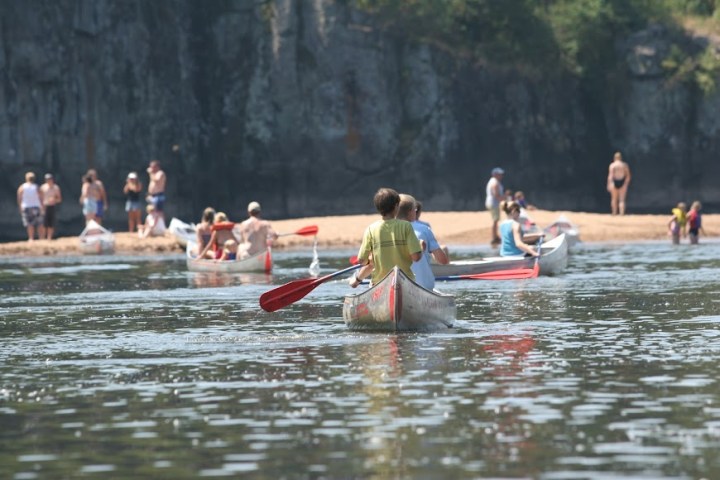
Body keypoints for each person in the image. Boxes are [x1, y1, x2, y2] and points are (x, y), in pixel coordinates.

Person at [348, 188, 422, 288]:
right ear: (396, 206)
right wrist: (420, 249)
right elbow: (416, 257)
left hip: (379, 283)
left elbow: (361, 261)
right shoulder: (406, 226)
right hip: (405, 281)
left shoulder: (370, 229)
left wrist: (370, 259)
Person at [397, 194, 449, 291]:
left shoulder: (384, 230)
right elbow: (443, 261)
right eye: (415, 209)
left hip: (396, 286)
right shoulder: (424, 229)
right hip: (423, 286)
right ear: (410, 212)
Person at [17, 172, 44, 242]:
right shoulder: (36, 187)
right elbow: (41, 197)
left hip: (27, 207)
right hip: (36, 207)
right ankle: (41, 238)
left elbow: (19, 198)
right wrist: (42, 206)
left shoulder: (22, 187)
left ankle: (31, 238)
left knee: (30, 224)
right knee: (39, 223)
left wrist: (20, 207)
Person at [485, 167, 505, 246]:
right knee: (495, 220)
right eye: (499, 174)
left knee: (496, 220)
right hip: (494, 203)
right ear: (495, 174)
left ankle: (495, 236)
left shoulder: (494, 181)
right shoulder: (494, 182)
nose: (501, 175)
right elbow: (496, 194)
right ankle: (494, 237)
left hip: (493, 203)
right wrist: (504, 199)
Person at [607, 151, 631, 215]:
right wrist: (625, 184)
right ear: (621, 158)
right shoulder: (624, 165)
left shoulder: (612, 165)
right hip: (622, 181)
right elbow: (628, 176)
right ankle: (621, 213)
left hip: (614, 181)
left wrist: (609, 184)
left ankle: (614, 212)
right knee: (622, 199)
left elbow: (610, 176)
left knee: (614, 199)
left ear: (615, 158)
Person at [40, 173, 62, 240]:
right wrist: (41, 206)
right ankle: (42, 238)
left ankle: (49, 238)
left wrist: (54, 200)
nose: (48, 180)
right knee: (43, 223)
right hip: (44, 206)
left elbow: (59, 199)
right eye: (47, 179)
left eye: (50, 179)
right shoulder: (43, 187)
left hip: (52, 206)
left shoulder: (56, 188)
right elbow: (40, 198)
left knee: (51, 223)